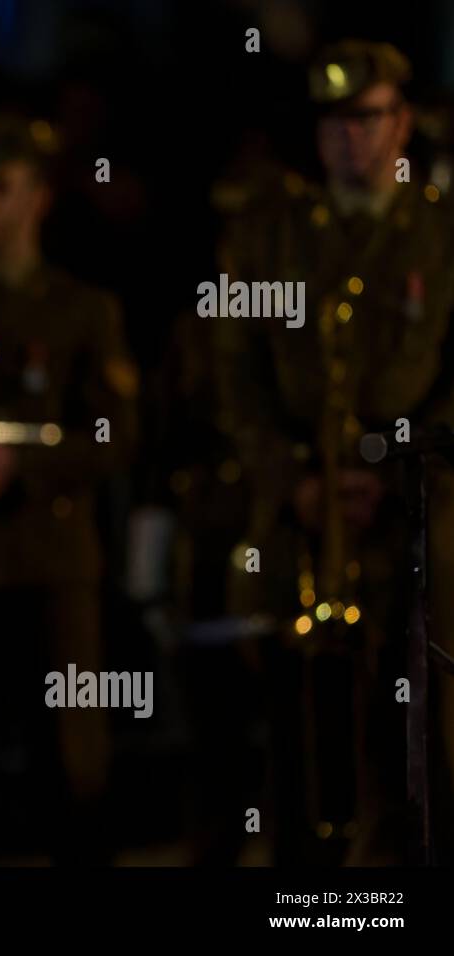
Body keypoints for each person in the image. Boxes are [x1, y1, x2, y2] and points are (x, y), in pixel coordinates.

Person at [214, 39, 454, 863]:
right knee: (295, 718)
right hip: (302, 508)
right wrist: (297, 479)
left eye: (365, 118)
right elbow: (236, 373)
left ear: (403, 122)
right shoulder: (275, 234)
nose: (347, 138)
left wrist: (397, 471)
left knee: (420, 718)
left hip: (420, 512)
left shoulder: (440, 229)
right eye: (330, 121)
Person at [0, 114, 138, 863]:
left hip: (52, 561)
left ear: (38, 197)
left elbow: (116, 435)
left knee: (71, 755)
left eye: (0, 188)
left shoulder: (82, 309)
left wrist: (21, 467)